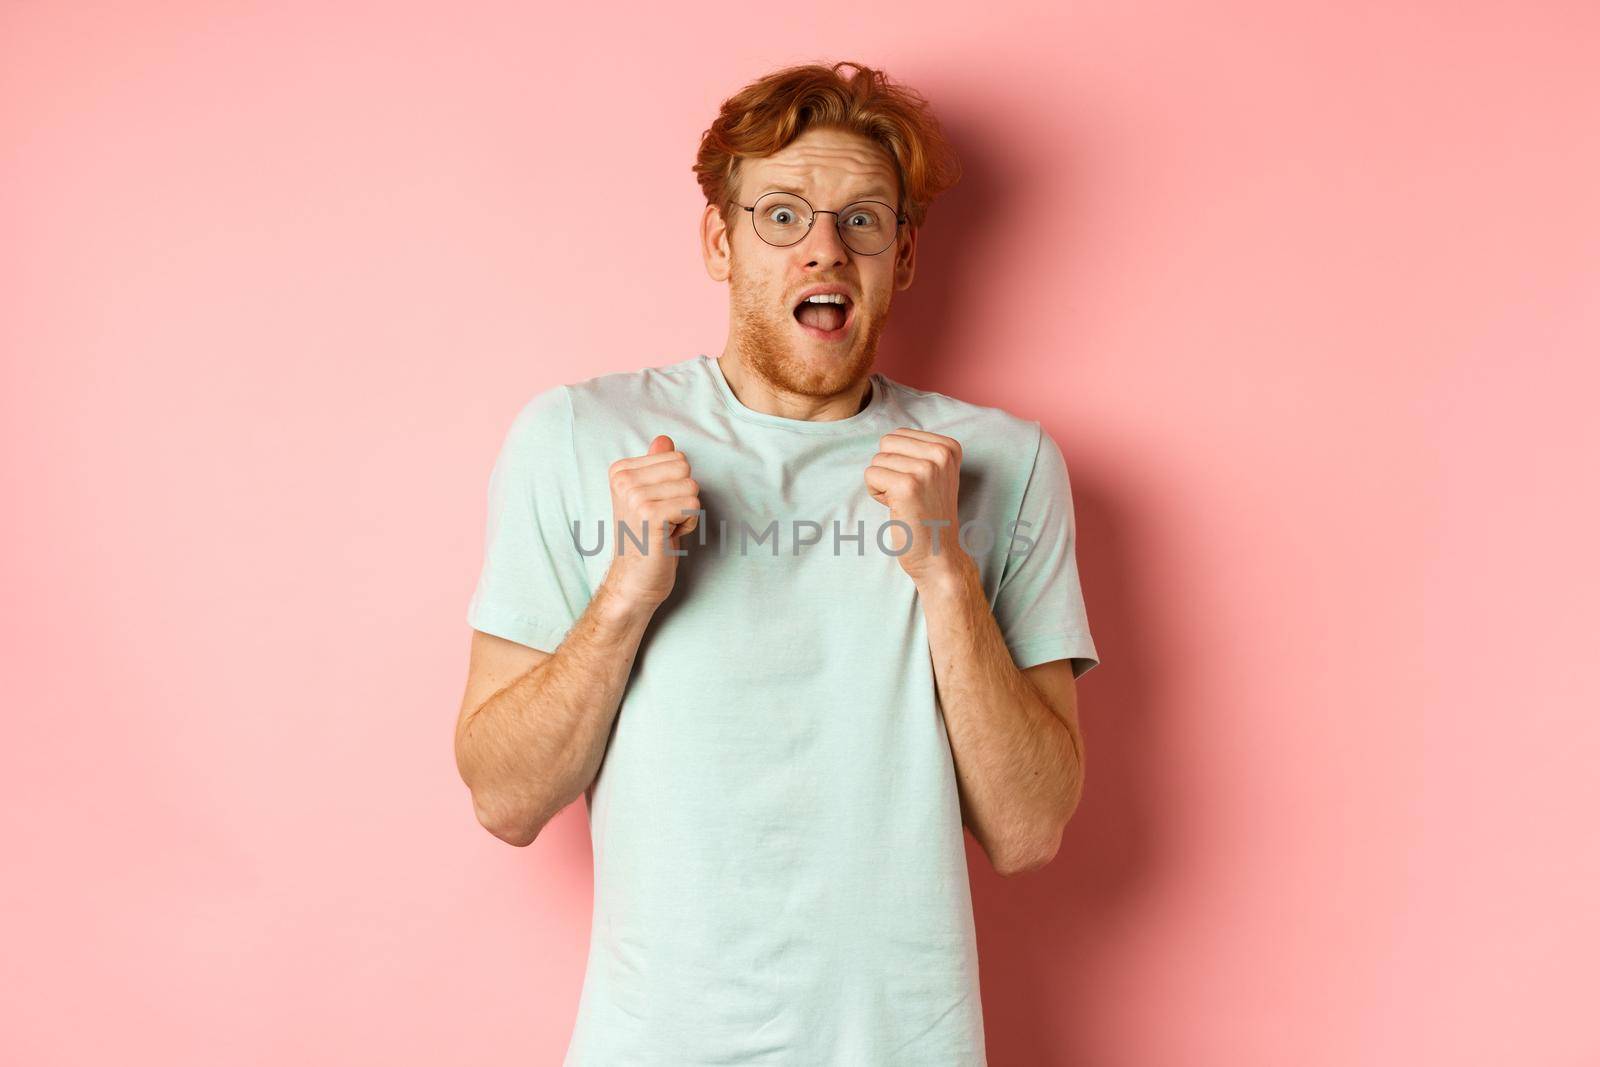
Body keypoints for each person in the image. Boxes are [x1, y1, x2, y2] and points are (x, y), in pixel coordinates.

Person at [453, 59, 1100, 1066]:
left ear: (904, 256)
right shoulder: (580, 437)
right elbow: (503, 798)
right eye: (783, 217)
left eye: (862, 220)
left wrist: (944, 574)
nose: (824, 252)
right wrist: (625, 594)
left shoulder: (1004, 464)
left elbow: (1027, 829)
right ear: (721, 239)